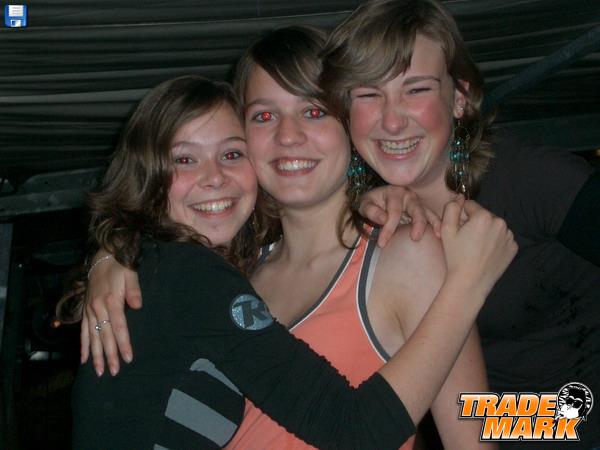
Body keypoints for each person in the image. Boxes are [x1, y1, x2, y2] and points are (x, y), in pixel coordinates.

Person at [77, 27, 511, 449]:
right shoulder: (242, 269)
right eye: (264, 116)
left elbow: (472, 436)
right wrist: (115, 251)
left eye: (314, 111)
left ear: (350, 125)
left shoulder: (406, 253)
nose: (288, 136)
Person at [320, 0, 600, 447]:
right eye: (368, 94)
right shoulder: (350, 219)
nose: (391, 120)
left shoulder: (532, 179)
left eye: (416, 89)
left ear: (459, 98)